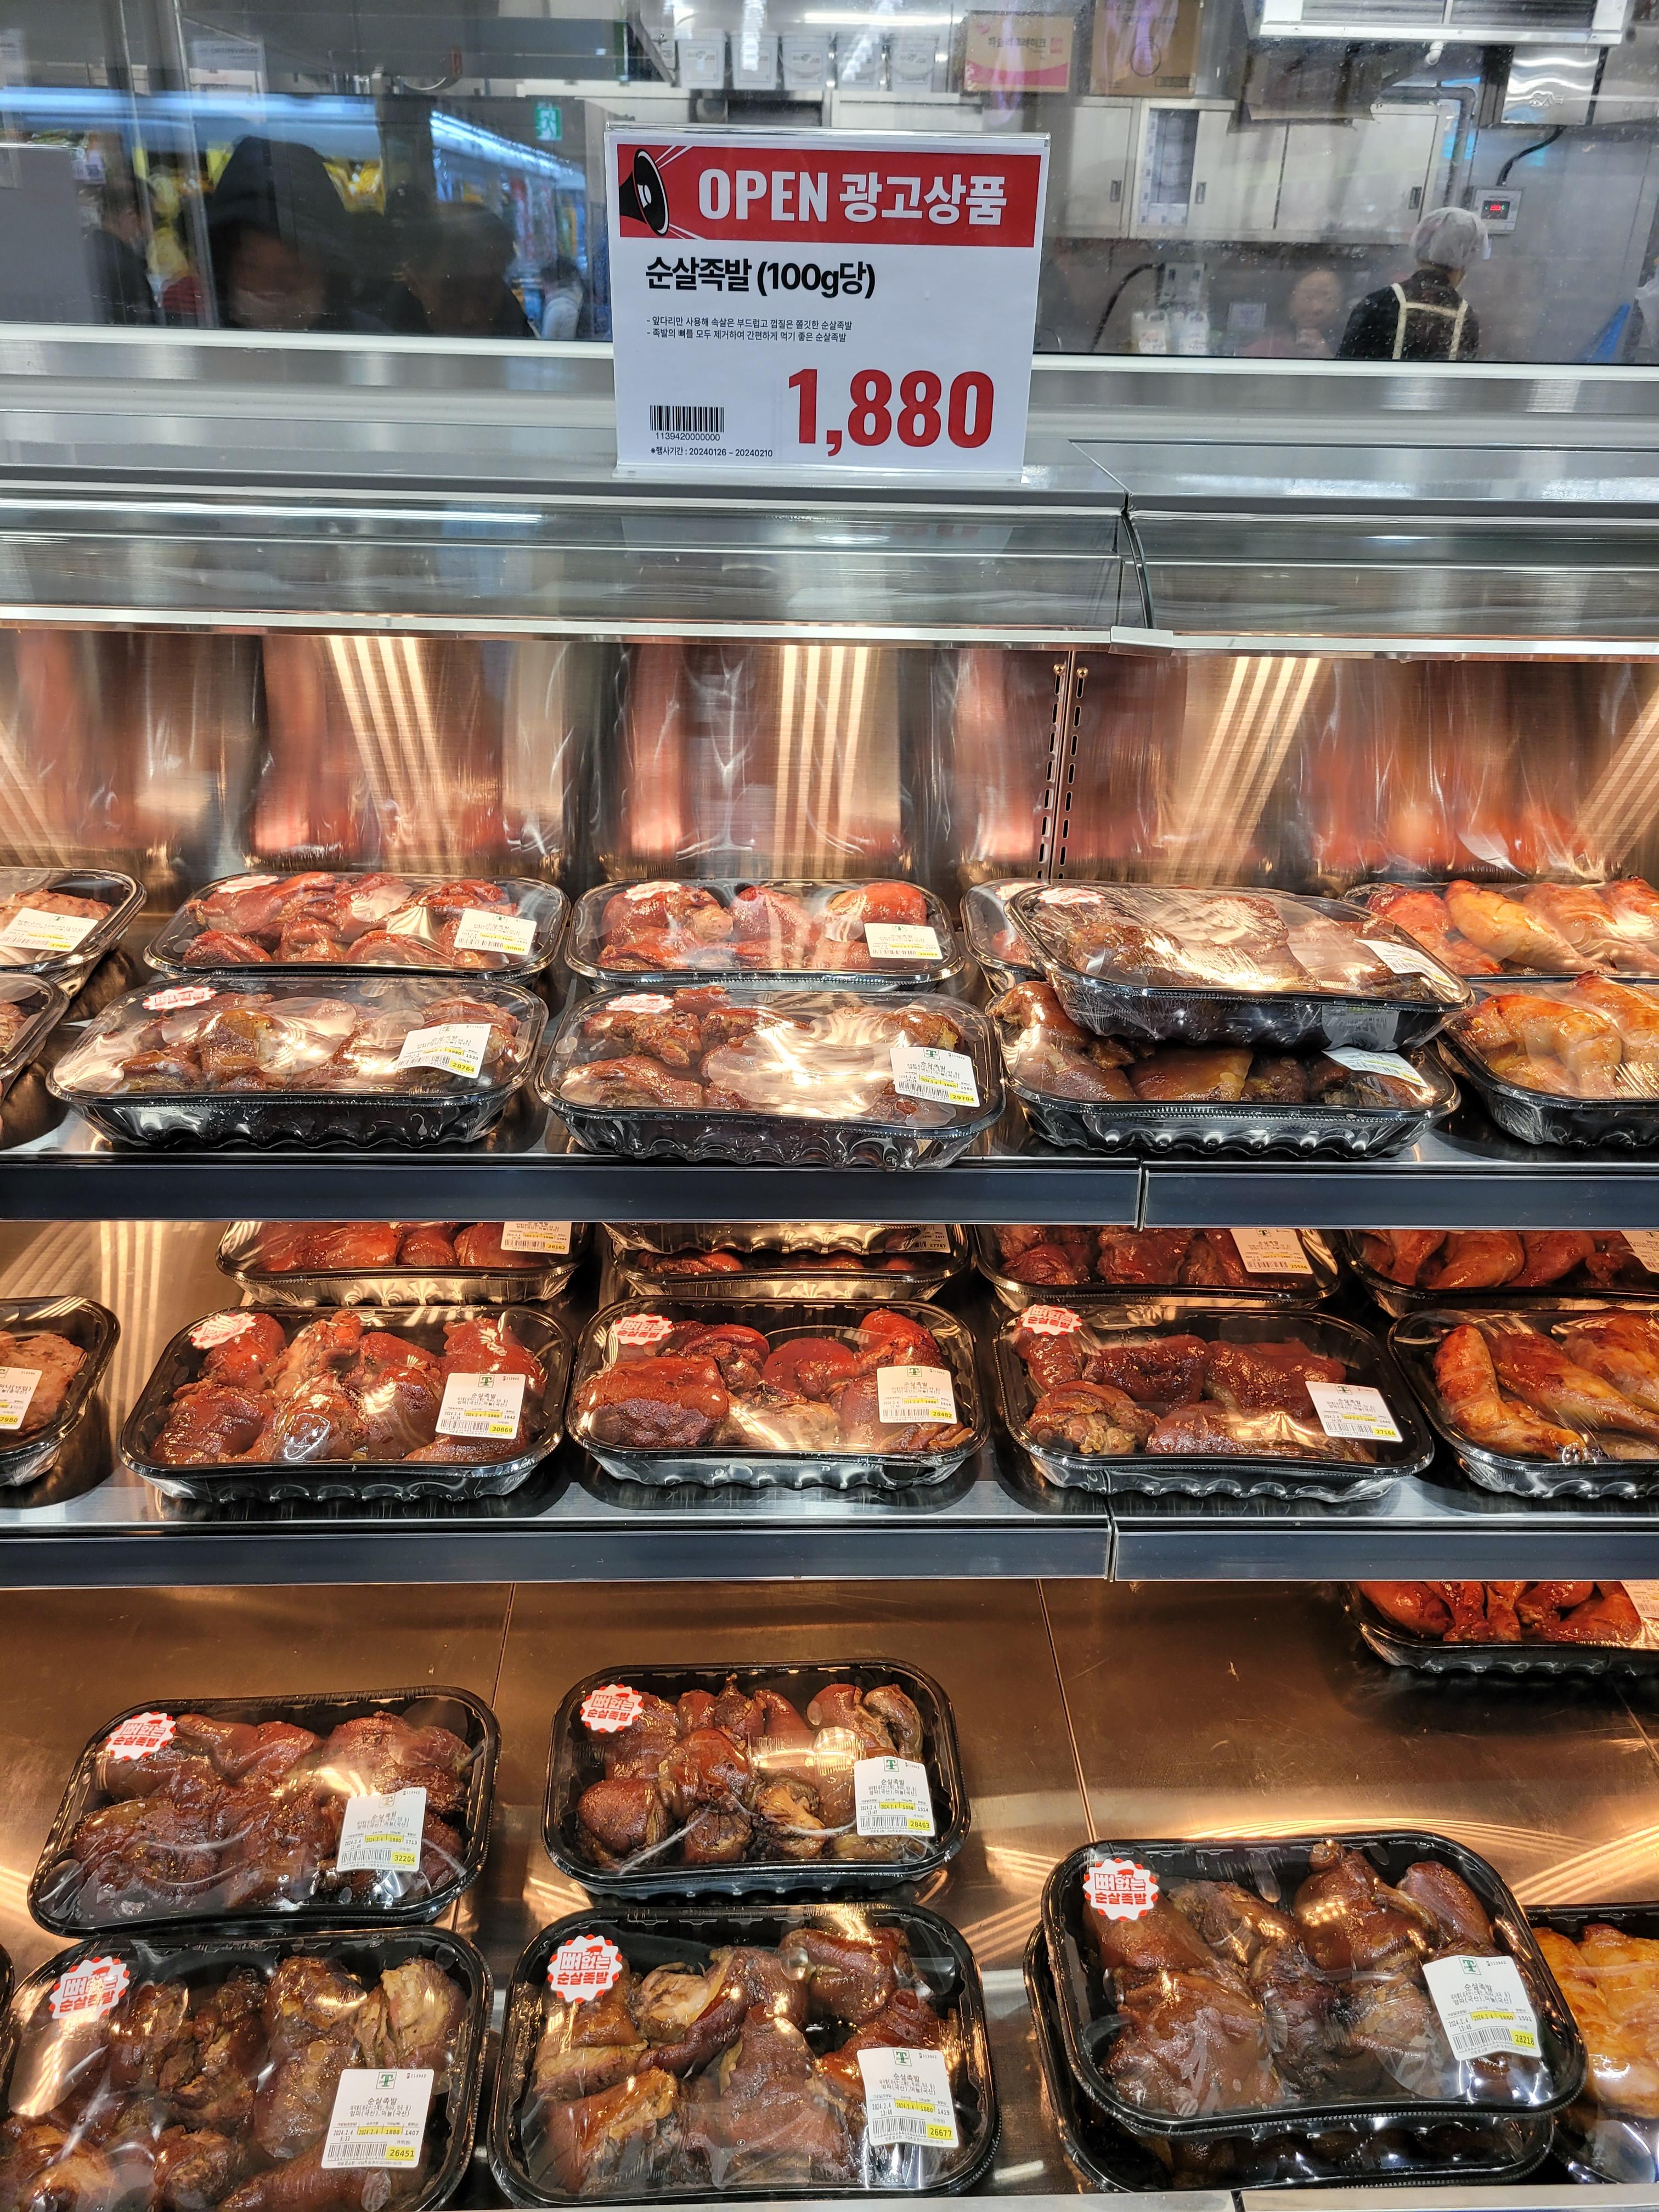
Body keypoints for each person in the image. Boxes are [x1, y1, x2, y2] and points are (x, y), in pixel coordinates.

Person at [206, 136, 382, 334]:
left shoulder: (370, 342)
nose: (270, 289)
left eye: (291, 270)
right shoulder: (195, 337)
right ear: (225, 271)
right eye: (250, 268)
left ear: (326, 275)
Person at [1338, 206, 1487, 363]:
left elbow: (1346, 367)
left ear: (1419, 249)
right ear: (1467, 261)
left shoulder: (1379, 303)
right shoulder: (1466, 318)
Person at [403, 205, 533, 340]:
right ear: (414, 283)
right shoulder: (389, 336)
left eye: (485, 295)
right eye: (451, 295)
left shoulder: (515, 326)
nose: (470, 317)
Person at [85, 179, 156, 326]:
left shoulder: (85, 251)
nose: (151, 228)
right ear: (131, 215)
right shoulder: (127, 267)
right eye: (151, 217)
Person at [1240, 266, 1345, 359]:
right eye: (1309, 298)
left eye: (1329, 299)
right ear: (1290, 301)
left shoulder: (1350, 349)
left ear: (1342, 305)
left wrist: (1327, 359)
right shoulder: (1263, 349)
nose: (1317, 308)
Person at [538, 252, 584, 342]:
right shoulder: (575, 300)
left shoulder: (557, 310)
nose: (543, 289)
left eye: (543, 283)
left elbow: (547, 347)